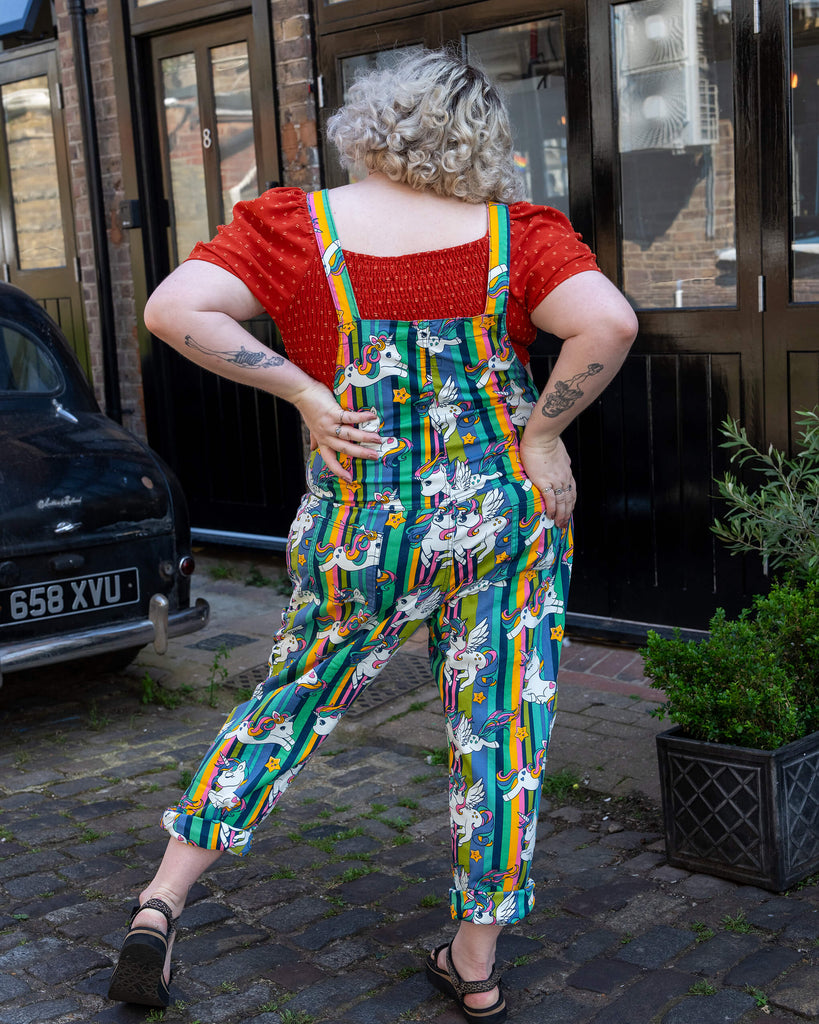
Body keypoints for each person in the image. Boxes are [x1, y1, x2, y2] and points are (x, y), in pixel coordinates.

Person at [107, 49, 637, 1023]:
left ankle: (160, 899)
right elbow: (605, 322)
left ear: (370, 123)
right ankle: (474, 966)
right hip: (504, 516)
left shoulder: (295, 229)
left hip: (366, 522)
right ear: (480, 142)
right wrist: (545, 433)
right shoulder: (516, 236)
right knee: (502, 727)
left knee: (290, 697)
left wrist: (305, 390)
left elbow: (171, 310)